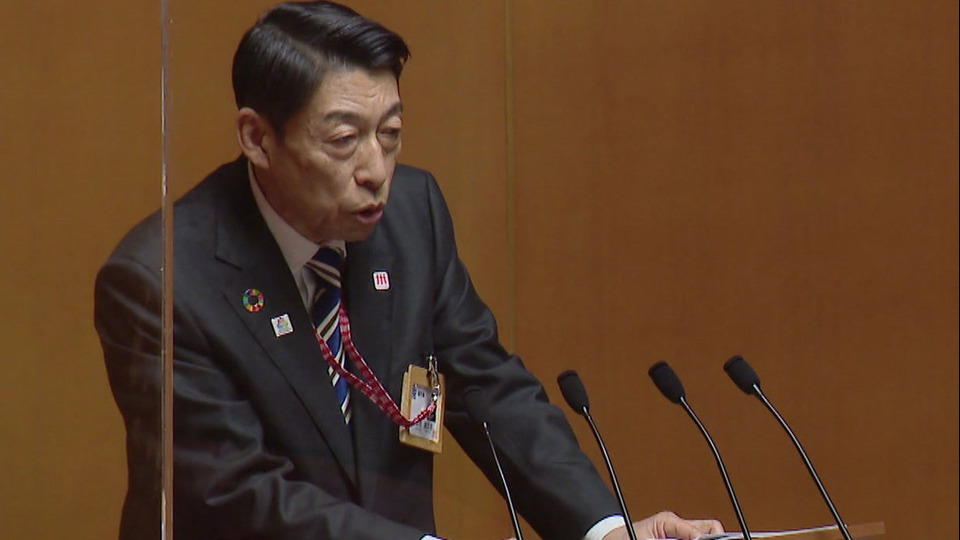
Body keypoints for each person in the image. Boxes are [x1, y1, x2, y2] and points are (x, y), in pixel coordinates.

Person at [95, 2, 724, 539]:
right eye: (344, 140)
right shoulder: (162, 282)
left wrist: (605, 530)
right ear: (258, 139)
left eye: (390, 133)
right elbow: (234, 490)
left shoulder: (410, 215)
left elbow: (484, 384)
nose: (376, 170)